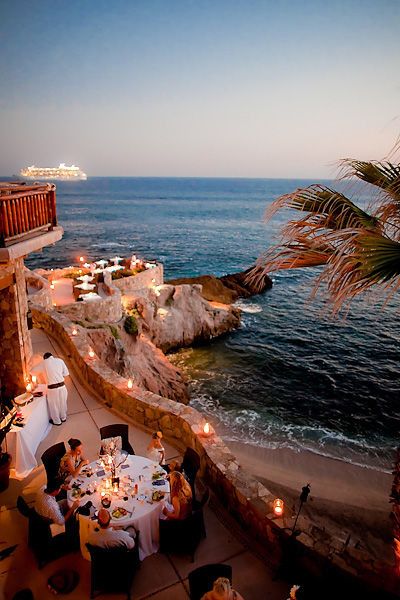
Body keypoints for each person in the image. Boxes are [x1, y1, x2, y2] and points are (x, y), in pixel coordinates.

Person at [34, 352, 69, 426]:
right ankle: (63, 417)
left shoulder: (44, 363)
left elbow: (32, 370)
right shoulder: (60, 360)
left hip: (52, 389)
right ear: (52, 356)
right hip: (62, 387)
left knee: (54, 405)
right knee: (63, 402)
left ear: (45, 358)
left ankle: (57, 421)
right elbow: (66, 373)